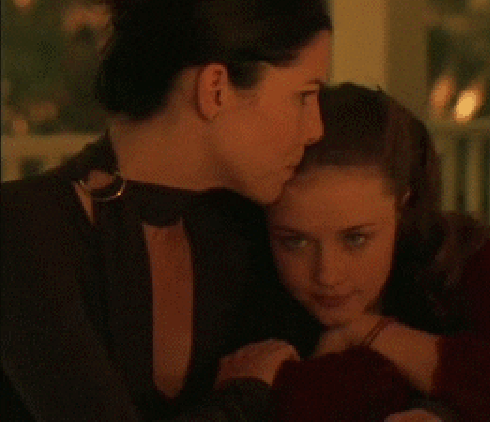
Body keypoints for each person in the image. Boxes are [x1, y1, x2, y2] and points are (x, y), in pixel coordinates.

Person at [1, 1, 332, 420]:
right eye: (304, 96)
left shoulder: (248, 227)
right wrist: (245, 394)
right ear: (215, 89)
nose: (316, 129)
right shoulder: (23, 228)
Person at [223, 83, 490, 421]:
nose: (327, 274)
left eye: (356, 239)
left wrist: (373, 333)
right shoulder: (240, 284)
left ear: (402, 208)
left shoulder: (462, 260)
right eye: (294, 242)